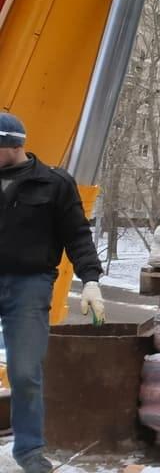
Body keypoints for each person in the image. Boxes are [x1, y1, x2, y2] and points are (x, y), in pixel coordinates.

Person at [0, 112, 105, 473]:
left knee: (25, 370)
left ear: (11, 145)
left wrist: (90, 278)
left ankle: (29, 451)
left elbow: (77, 235)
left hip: (29, 285)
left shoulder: (54, 183)